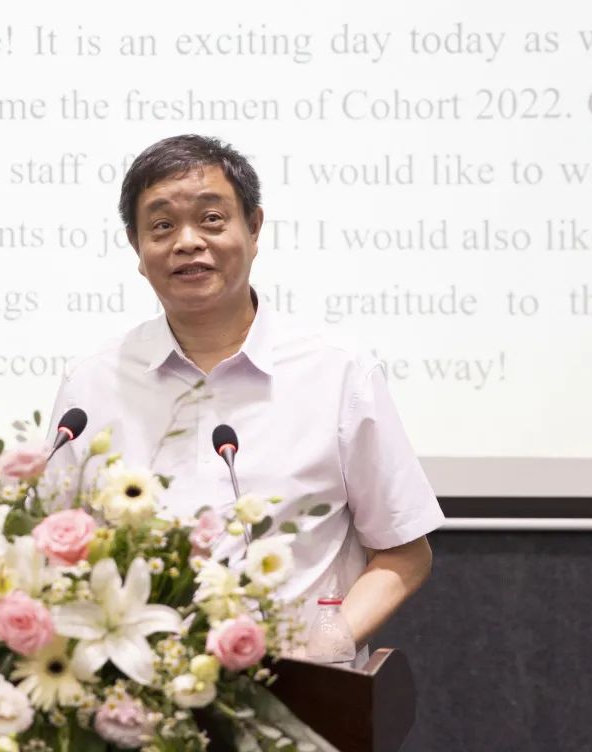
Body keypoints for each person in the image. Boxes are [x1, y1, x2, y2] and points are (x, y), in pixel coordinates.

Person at [47, 134, 444, 656]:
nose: (187, 241)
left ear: (254, 228)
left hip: (300, 689)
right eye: (162, 226)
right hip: (140, 689)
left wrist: (322, 650)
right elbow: (51, 554)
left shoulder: (337, 372)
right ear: (136, 249)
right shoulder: (92, 385)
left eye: (211, 219)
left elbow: (404, 553)